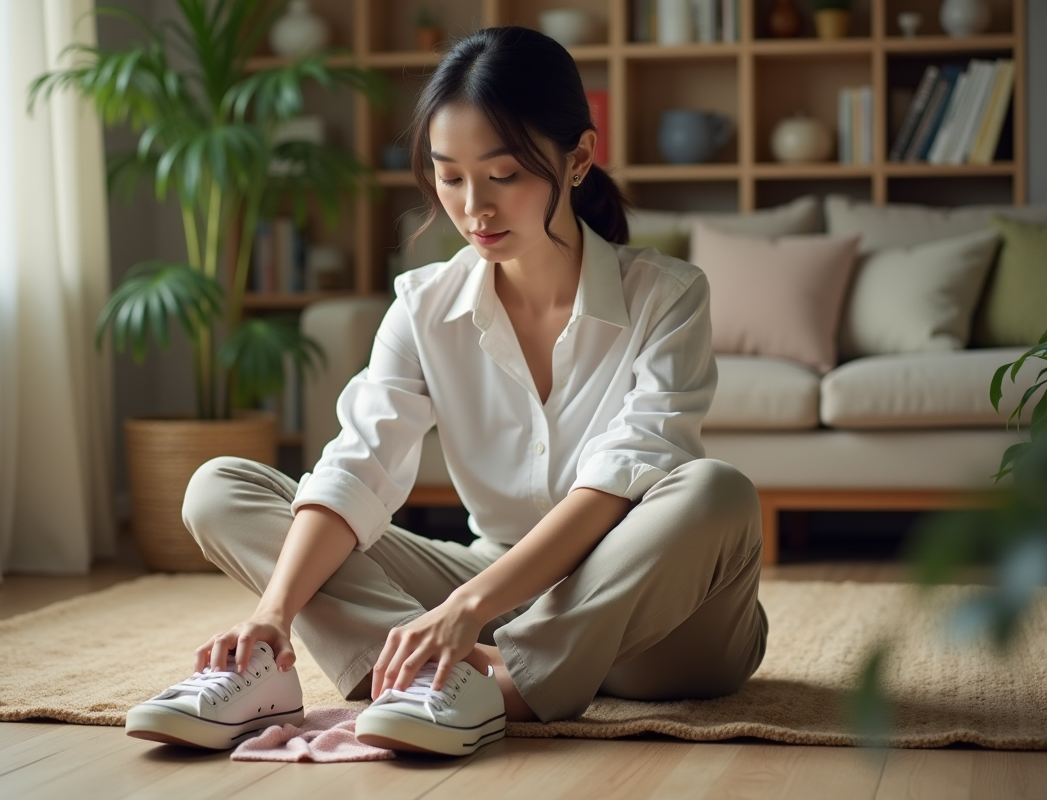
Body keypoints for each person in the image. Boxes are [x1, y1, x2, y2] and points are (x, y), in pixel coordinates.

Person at [124, 25, 769, 757]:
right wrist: (274, 616)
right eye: (450, 176)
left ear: (579, 158)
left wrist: (466, 606)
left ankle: (505, 679)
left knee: (715, 490)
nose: (474, 209)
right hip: (493, 587)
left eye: (504, 176)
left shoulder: (667, 295)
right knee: (220, 488)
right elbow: (358, 466)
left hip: (657, 629)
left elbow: (627, 476)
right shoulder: (424, 305)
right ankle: (434, 675)